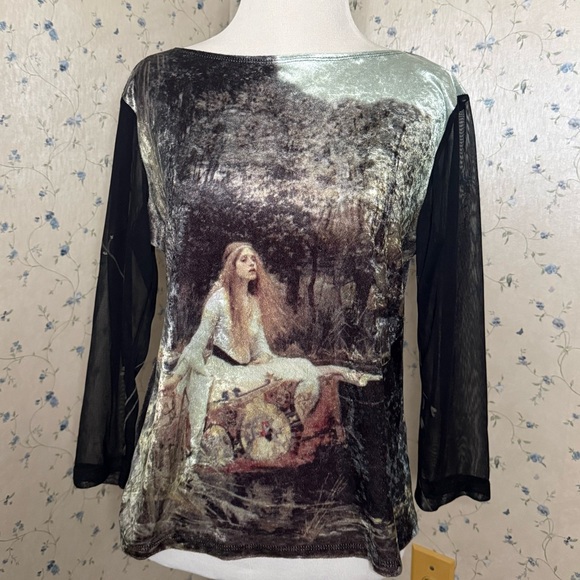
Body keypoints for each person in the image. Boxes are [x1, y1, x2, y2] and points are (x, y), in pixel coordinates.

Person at [164, 241, 380, 464]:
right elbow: (198, 341)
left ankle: (344, 372)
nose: (252, 263)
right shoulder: (218, 300)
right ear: (232, 267)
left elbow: (260, 346)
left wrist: (264, 358)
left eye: (253, 259)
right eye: (244, 260)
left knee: (303, 365)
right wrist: (176, 377)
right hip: (223, 369)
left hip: (247, 368)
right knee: (294, 370)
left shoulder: (252, 302)